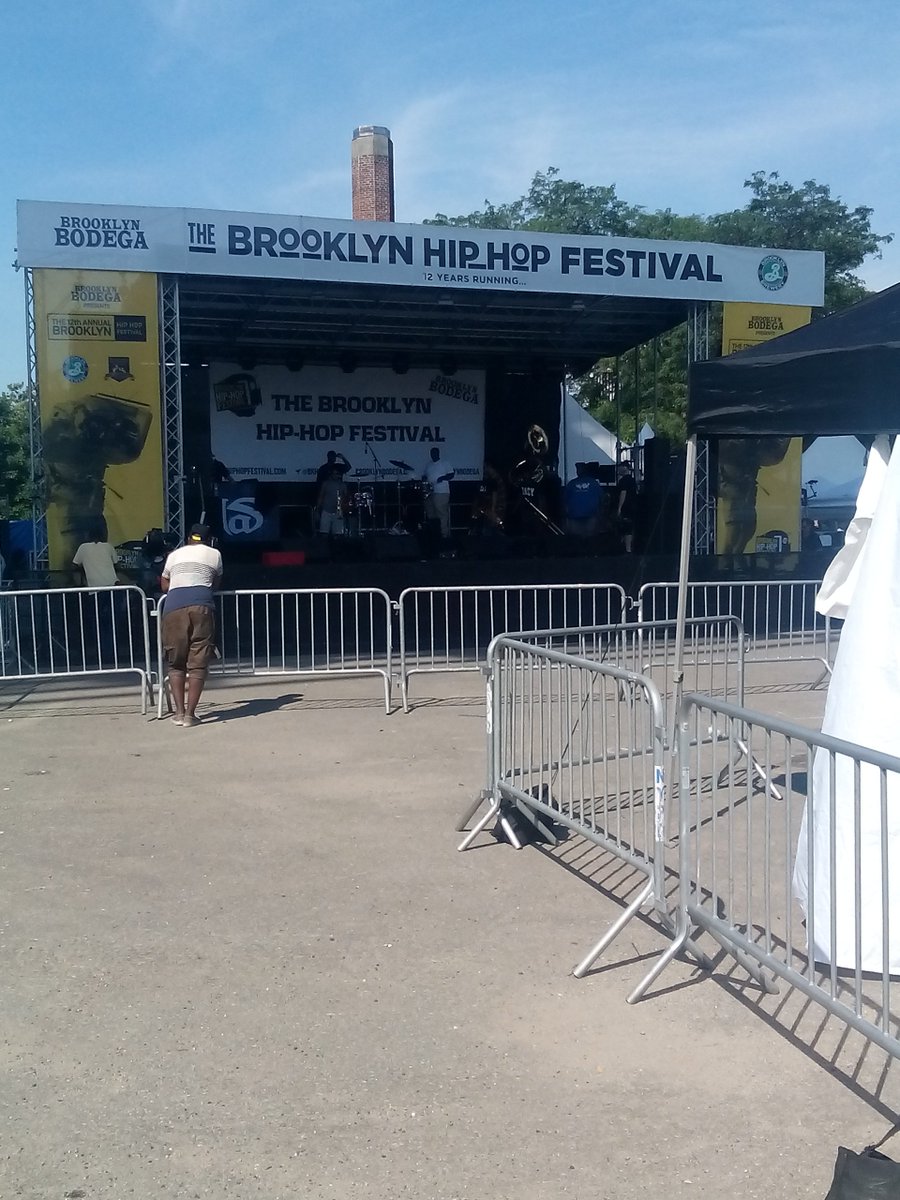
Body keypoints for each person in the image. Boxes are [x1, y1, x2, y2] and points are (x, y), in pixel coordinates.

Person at [160, 524, 223, 728]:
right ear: (209, 540)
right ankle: (190, 715)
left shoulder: (174, 555)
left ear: (189, 538)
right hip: (202, 606)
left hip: (173, 607)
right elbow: (215, 583)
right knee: (198, 662)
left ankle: (178, 713)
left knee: (175, 662)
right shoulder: (215, 554)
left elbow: (164, 585)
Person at [72, 523, 119, 587]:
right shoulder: (109, 546)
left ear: (88, 536)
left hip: (95, 587)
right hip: (112, 586)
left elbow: (74, 565)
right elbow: (117, 565)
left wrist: (82, 577)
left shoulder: (83, 547)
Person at [422, 447, 455, 540]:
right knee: (430, 511)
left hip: (442, 491)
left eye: (435, 453)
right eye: (431, 453)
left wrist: (442, 478)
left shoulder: (445, 463)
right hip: (431, 492)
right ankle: (435, 531)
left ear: (438, 453)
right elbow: (425, 475)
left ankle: (444, 534)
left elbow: (451, 474)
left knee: (441, 512)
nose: (433, 455)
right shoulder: (429, 465)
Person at [564, 462, 603, 538]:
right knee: (590, 539)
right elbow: (602, 497)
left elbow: (565, 499)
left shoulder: (571, 484)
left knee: (576, 539)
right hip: (590, 516)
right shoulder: (594, 483)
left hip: (575, 516)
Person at [316, 465, 347, 538]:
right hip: (326, 510)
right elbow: (321, 497)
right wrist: (317, 510)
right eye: (334, 474)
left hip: (338, 512)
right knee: (324, 533)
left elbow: (346, 498)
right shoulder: (326, 484)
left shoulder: (343, 485)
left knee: (338, 534)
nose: (336, 475)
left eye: (337, 474)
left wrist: (344, 508)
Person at [615, 461, 639, 553]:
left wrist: (619, 508)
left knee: (626, 527)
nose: (618, 470)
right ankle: (628, 547)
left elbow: (623, 493)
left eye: (620, 467)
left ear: (625, 468)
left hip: (626, 507)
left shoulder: (624, 481)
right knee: (629, 527)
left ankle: (627, 549)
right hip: (632, 506)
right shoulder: (632, 480)